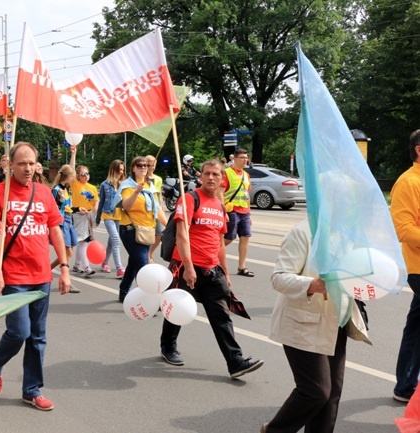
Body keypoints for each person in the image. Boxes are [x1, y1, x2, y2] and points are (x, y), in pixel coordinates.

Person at [0, 142, 70, 411]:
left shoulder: (44, 193)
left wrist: (64, 268)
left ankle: (32, 390)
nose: (27, 168)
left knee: (38, 337)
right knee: (19, 332)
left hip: (41, 275)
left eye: (31, 163)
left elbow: (55, 231)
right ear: (10, 165)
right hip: (13, 277)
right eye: (21, 163)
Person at [261, 219, 370, 433]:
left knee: (331, 397)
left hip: (336, 322)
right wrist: (312, 285)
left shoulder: (350, 234)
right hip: (302, 324)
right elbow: (278, 278)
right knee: (316, 390)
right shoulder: (303, 232)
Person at [159, 159, 264, 379]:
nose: (211, 177)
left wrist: (225, 271)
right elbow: (181, 234)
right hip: (185, 267)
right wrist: (188, 266)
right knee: (177, 311)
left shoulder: (219, 206)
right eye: (207, 173)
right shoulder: (190, 199)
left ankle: (235, 362)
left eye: (216, 174)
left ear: (222, 178)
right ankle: (168, 347)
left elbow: (218, 242)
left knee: (221, 316)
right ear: (200, 176)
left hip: (211, 270)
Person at [391, 129, 420, 403]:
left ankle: (406, 386)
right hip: (419, 268)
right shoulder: (408, 182)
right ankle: (407, 384)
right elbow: (403, 230)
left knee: (416, 326)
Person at [116, 156, 166, 302]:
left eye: (146, 165)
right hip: (131, 230)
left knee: (134, 262)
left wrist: (169, 226)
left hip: (147, 231)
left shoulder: (150, 186)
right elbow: (126, 206)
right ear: (133, 168)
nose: (143, 167)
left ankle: (124, 291)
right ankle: (151, 299)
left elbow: (157, 209)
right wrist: (136, 192)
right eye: (140, 165)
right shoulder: (127, 186)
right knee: (144, 267)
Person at [220, 148, 254, 277]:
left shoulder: (246, 175)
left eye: (246, 158)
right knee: (228, 238)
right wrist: (224, 212)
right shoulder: (227, 173)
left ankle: (242, 267)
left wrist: (249, 213)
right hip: (231, 210)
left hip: (244, 211)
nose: (245, 160)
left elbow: (247, 195)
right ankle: (211, 256)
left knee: (245, 237)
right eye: (242, 158)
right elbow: (220, 193)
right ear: (234, 159)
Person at [49, 164, 80, 293]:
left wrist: (77, 209)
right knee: (67, 252)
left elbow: (67, 207)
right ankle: (66, 279)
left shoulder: (66, 188)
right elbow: (54, 207)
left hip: (68, 220)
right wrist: (60, 201)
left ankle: (46, 270)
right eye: (73, 175)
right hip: (61, 222)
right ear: (68, 176)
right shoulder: (57, 189)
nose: (74, 178)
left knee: (68, 252)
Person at [69, 147, 99, 276]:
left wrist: (95, 216)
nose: (86, 176)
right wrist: (73, 154)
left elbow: (95, 202)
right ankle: (87, 267)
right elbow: (71, 168)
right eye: (83, 174)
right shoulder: (75, 184)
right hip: (78, 215)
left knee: (84, 241)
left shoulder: (92, 187)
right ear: (78, 176)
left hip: (89, 215)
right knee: (83, 242)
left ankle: (76, 265)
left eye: (87, 173)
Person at [95, 159, 125, 278]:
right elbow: (101, 202)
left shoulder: (124, 184)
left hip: (119, 216)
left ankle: (105, 262)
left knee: (112, 241)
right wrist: (97, 219)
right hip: (107, 215)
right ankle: (119, 268)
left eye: (123, 170)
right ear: (113, 170)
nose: (121, 172)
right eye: (119, 170)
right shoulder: (104, 185)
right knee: (116, 240)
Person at [146, 155, 164, 263]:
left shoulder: (158, 179)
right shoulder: (142, 178)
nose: (151, 167)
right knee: (147, 235)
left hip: (157, 209)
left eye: (153, 165)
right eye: (149, 165)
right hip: (146, 210)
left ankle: (149, 254)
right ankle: (146, 256)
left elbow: (159, 194)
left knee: (159, 234)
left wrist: (161, 206)